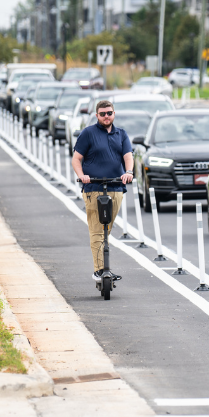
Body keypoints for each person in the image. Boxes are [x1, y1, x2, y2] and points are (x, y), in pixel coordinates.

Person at [71, 100, 134, 281]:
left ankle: (103, 267)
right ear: (97, 115)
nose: (106, 116)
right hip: (94, 188)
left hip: (115, 187)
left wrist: (128, 172)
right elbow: (76, 159)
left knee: (107, 230)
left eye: (109, 113)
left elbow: (128, 156)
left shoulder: (121, 134)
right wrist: (82, 175)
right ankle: (100, 270)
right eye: (103, 113)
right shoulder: (88, 133)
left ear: (114, 113)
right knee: (98, 230)